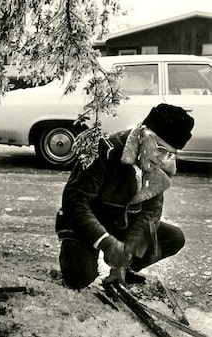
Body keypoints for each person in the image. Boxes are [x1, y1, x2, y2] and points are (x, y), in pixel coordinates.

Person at [56, 103, 195, 289]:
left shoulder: (160, 164)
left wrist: (123, 259)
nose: (163, 159)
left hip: (122, 224)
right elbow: (75, 202)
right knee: (79, 281)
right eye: (160, 148)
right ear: (142, 135)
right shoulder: (105, 149)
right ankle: (89, 259)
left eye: (170, 154)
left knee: (173, 237)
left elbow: (149, 214)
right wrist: (105, 242)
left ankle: (124, 265)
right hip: (83, 226)